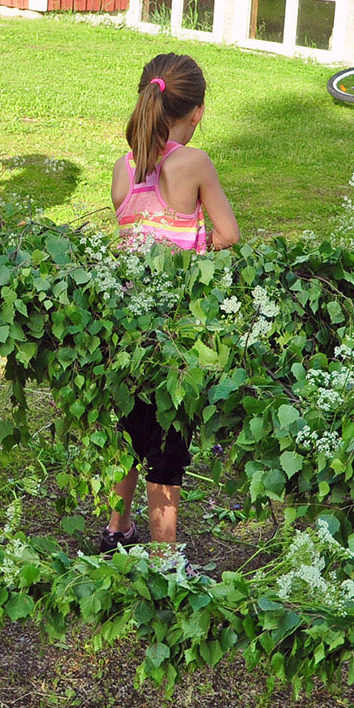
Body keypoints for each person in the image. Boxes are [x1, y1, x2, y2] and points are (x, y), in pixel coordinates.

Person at [95, 53, 241, 553]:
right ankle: (163, 560)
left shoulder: (123, 168)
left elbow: (128, 238)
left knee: (128, 431)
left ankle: (117, 530)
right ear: (196, 111)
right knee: (165, 444)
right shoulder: (193, 163)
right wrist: (192, 247)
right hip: (174, 334)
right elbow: (229, 234)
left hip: (124, 328)